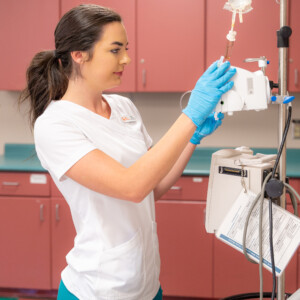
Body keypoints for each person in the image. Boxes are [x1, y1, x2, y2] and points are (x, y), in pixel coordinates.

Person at [20, 4, 236, 300]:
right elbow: (131, 186)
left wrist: (192, 138)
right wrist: (191, 116)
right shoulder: (56, 125)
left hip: (146, 284)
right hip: (100, 288)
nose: (127, 58)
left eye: (127, 48)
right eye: (115, 50)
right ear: (78, 55)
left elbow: (151, 187)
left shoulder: (123, 107)